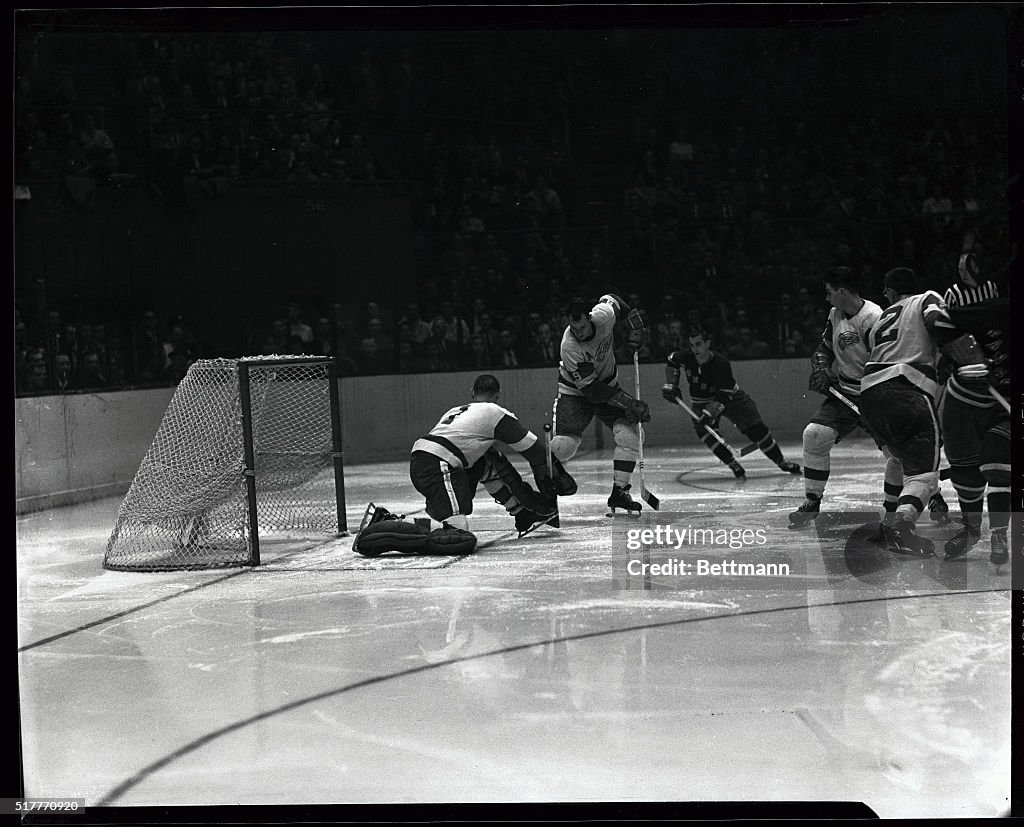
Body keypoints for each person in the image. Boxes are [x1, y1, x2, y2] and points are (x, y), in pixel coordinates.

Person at [407, 373, 575, 539]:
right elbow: (536, 452)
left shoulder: (455, 411)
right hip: (438, 465)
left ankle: (522, 512)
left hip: (427, 460)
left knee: (490, 461)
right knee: (458, 533)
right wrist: (555, 474)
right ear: (498, 394)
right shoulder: (493, 412)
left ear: (472, 392)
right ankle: (401, 523)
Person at [789, 266, 894, 527]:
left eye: (829, 292)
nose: (826, 298)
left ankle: (928, 497)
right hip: (844, 393)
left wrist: (873, 397)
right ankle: (812, 501)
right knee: (814, 436)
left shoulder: (874, 317)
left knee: (897, 453)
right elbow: (824, 348)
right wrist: (822, 367)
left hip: (875, 394)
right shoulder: (835, 314)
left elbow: (885, 363)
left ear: (842, 291)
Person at [858, 267, 950, 556]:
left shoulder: (880, 321)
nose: (884, 295)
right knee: (924, 476)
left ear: (892, 291)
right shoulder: (926, 299)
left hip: (871, 395)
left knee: (897, 459)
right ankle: (903, 527)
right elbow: (941, 323)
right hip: (908, 390)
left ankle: (889, 523)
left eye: (885, 290)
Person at [935, 253, 1010, 566]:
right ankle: (970, 529)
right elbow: (939, 320)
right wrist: (960, 353)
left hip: (1003, 406)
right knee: (965, 471)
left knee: (997, 463)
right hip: (963, 399)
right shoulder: (991, 308)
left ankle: (1000, 533)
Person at [551, 293, 650, 514]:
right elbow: (593, 391)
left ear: (590, 317)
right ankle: (546, 486)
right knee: (563, 446)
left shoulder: (604, 315)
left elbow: (614, 298)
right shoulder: (569, 347)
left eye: (582, 328)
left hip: (607, 385)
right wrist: (628, 402)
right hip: (575, 393)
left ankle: (620, 492)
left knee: (632, 436)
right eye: (573, 328)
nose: (578, 333)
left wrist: (636, 327)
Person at [662, 330, 801, 480]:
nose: (695, 349)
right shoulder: (686, 357)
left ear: (708, 344)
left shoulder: (721, 363)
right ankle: (733, 464)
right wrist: (672, 385)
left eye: (698, 344)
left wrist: (710, 414)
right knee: (705, 432)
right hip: (701, 400)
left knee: (756, 429)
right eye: (691, 345)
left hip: (731, 398)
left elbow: (724, 395)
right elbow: (672, 360)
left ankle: (782, 462)